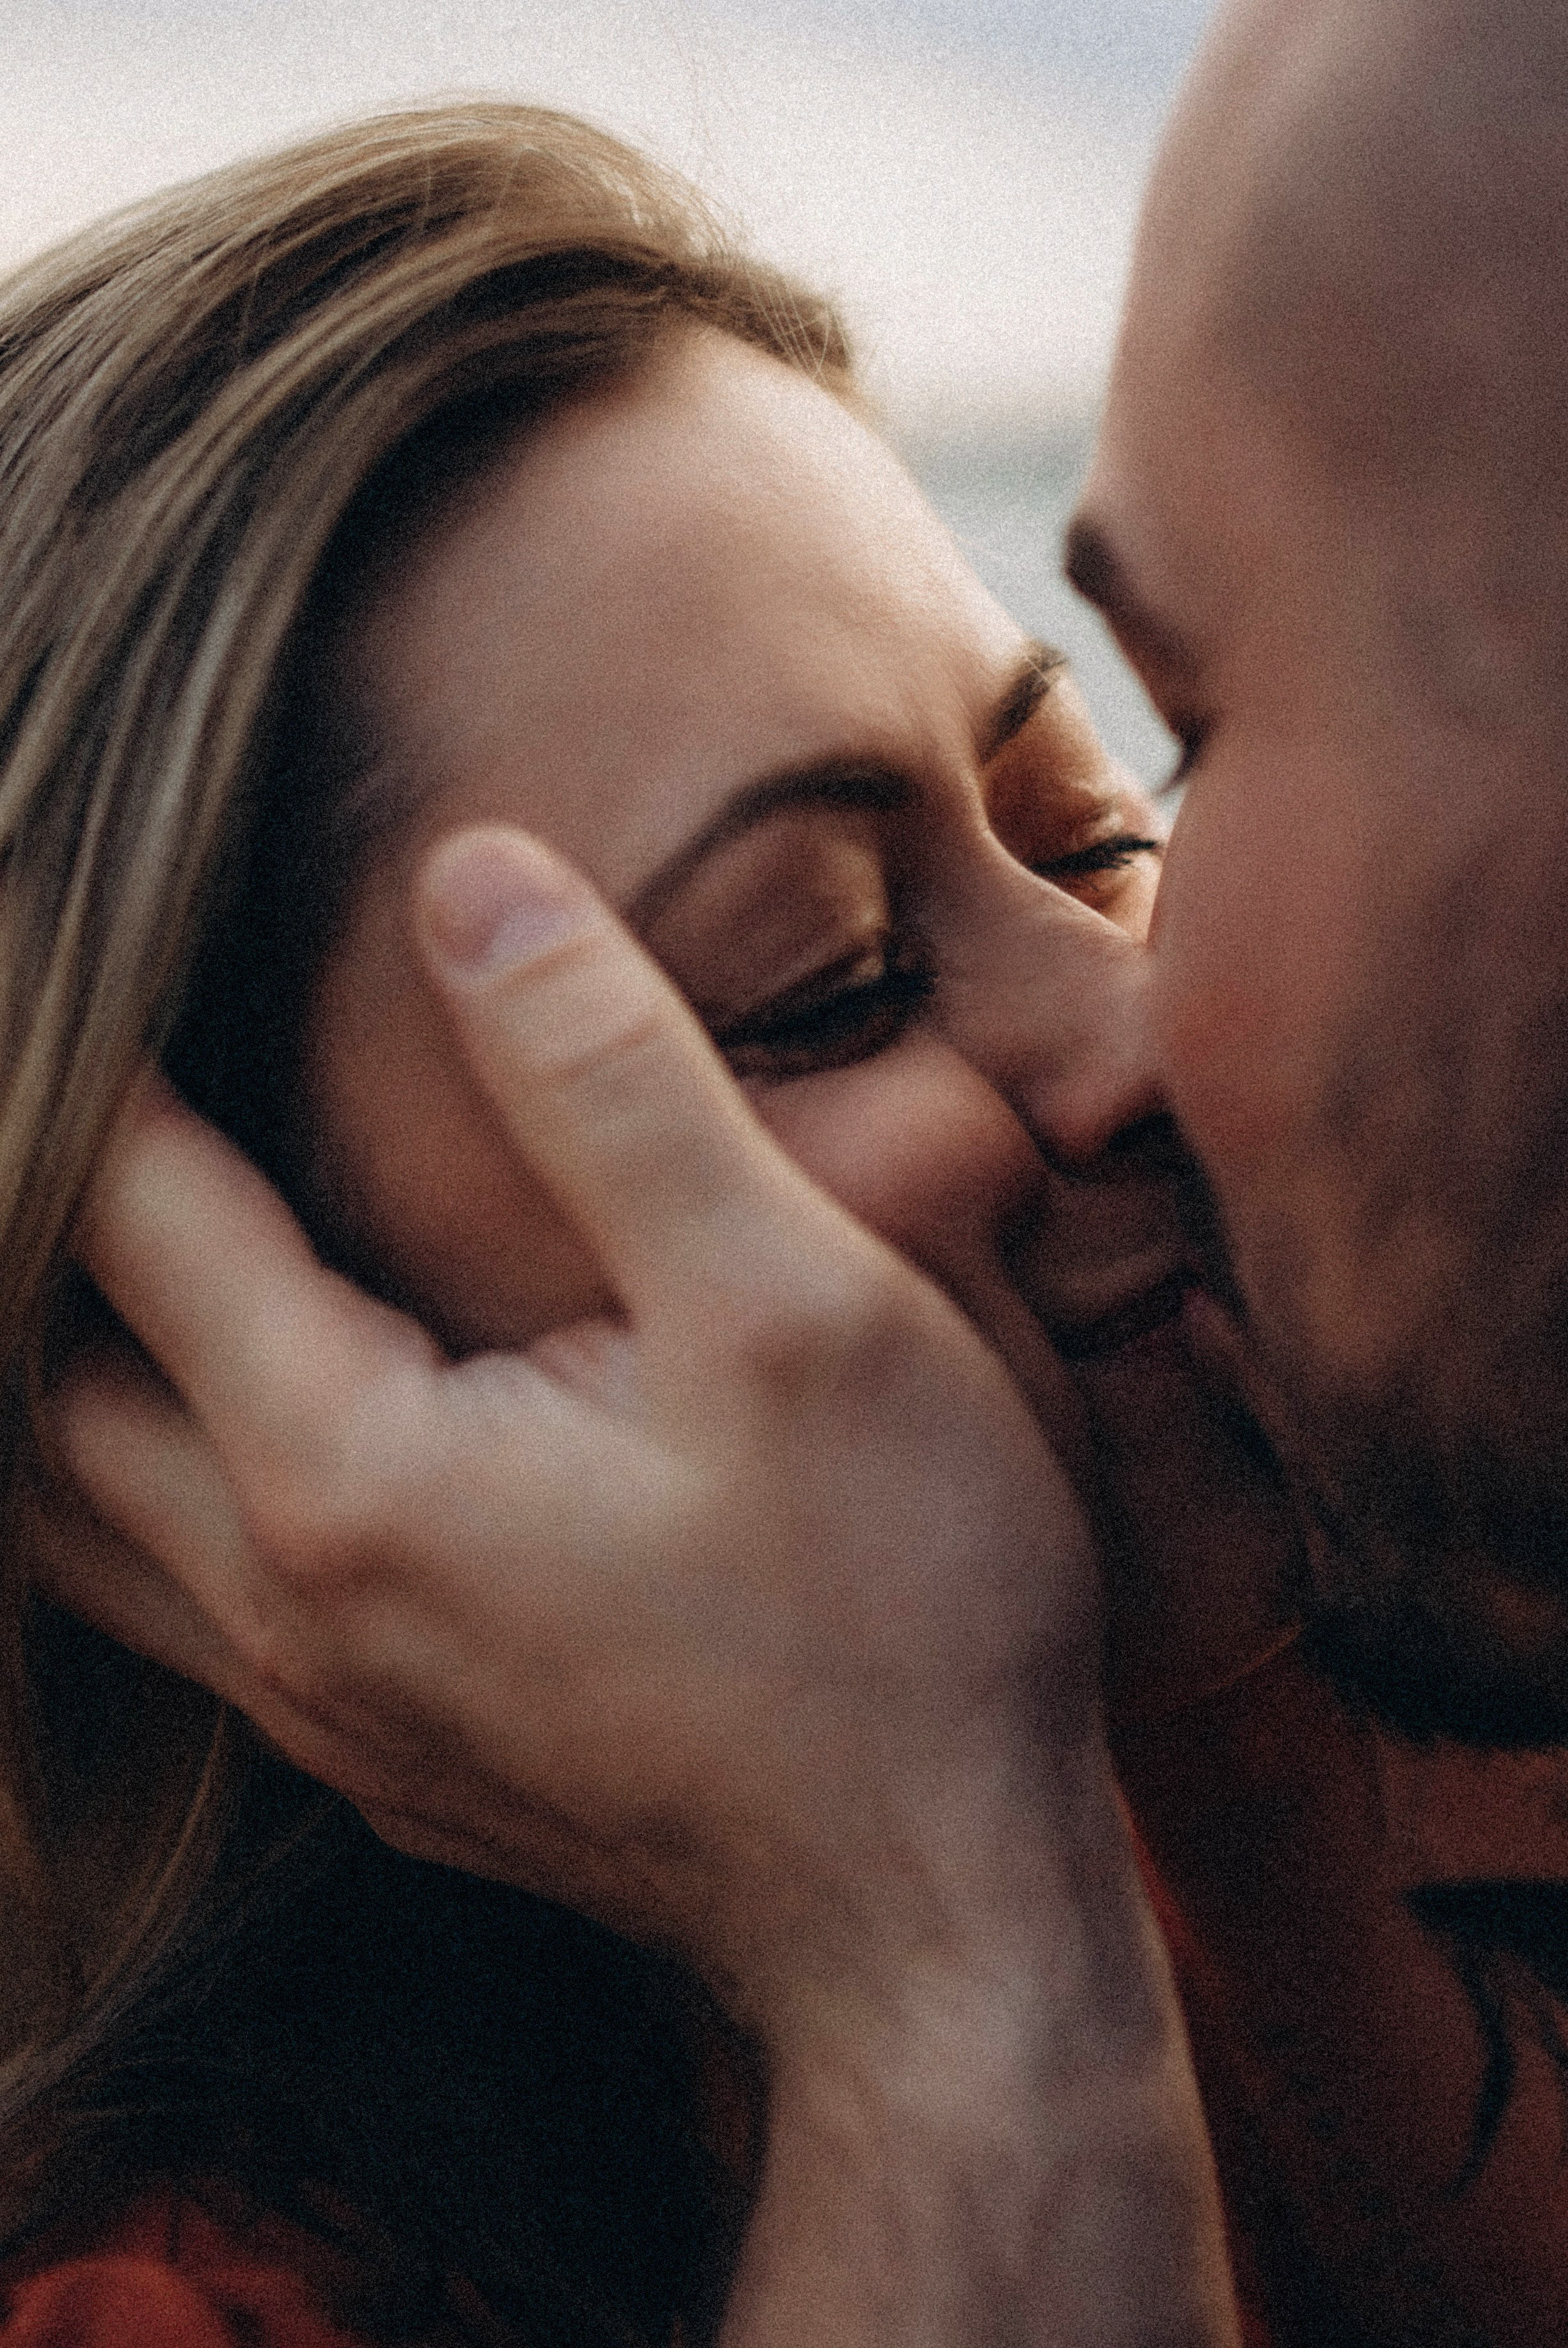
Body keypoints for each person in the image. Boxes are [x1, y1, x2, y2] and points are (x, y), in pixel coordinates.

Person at [32, 0, 1568, 2335]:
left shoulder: (1459, 1580)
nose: (1140, 1027)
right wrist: (944, 1985)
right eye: (823, 986)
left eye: (1099, 824)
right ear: (219, 1342)